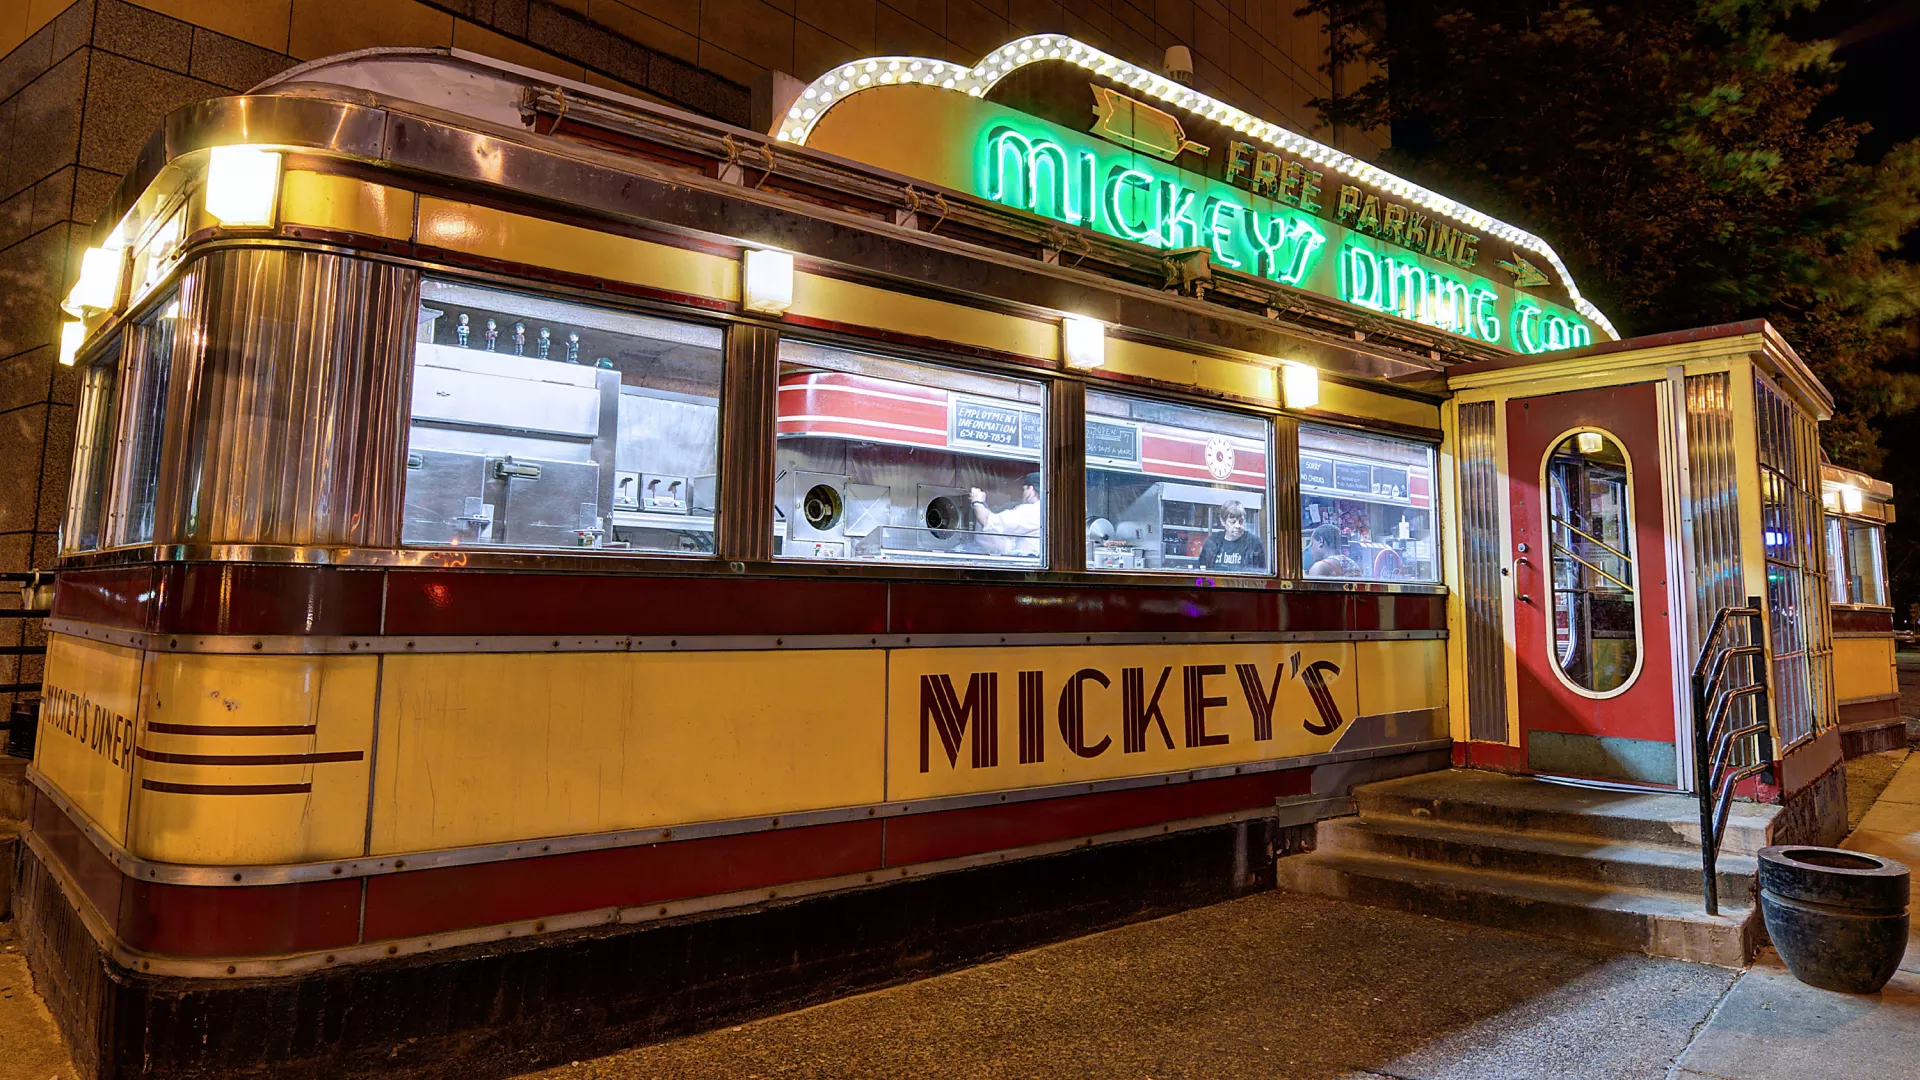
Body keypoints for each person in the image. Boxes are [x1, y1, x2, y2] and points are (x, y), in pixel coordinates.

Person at [970, 472, 1041, 556]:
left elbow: (988, 522)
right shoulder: (1046, 510)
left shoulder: (1032, 511)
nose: (1023, 494)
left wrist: (977, 501)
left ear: (1031, 490)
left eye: (1024, 489)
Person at [1198, 501, 1265, 572]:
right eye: (1233, 522)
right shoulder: (1211, 542)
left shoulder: (1254, 543)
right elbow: (1201, 570)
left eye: (1241, 521)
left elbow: (1261, 574)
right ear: (1222, 522)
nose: (1238, 526)